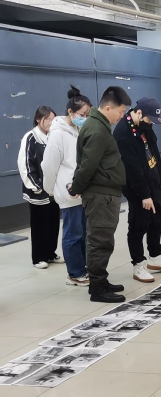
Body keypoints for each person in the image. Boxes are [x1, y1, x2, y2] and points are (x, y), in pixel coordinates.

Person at [68, 86, 131, 303]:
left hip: (105, 193)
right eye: (121, 112)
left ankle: (100, 280)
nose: (121, 116)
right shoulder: (97, 130)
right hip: (100, 195)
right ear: (108, 108)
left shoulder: (100, 126)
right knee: (99, 240)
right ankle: (97, 287)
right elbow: (88, 165)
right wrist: (76, 188)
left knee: (103, 239)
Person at [114, 97, 161, 283]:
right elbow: (132, 168)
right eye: (149, 119)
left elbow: (153, 149)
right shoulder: (123, 132)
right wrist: (144, 195)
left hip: (153, 182)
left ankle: (155, 257)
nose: (151, 123)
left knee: (159, 218)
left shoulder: (145, 126)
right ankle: (138, 265)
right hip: (136, 187)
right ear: (139, 113)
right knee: (138, 224)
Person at [42, 86, 91, 286]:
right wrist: (51, 190)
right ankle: (74, 273)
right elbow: (49, 165)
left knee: (83, 233)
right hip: (67, 191)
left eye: (87, 115)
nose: (85, 118)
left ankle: (82, 268)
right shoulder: (57, 134)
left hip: (82, 190)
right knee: (73, 234)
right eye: (82, 114)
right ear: (70, 112)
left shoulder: (78, 130)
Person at [17, 105, 62, 269]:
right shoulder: (30, 137)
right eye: (47, 119)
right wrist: (37, 186)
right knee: (39, 224)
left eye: (53, 119)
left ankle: (50, 253)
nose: (51, 122)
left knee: (53, 222)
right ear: (38, 119)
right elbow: (25, 165)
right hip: (38, 190)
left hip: (53, 189)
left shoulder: (53, 136)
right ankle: (38, 257)